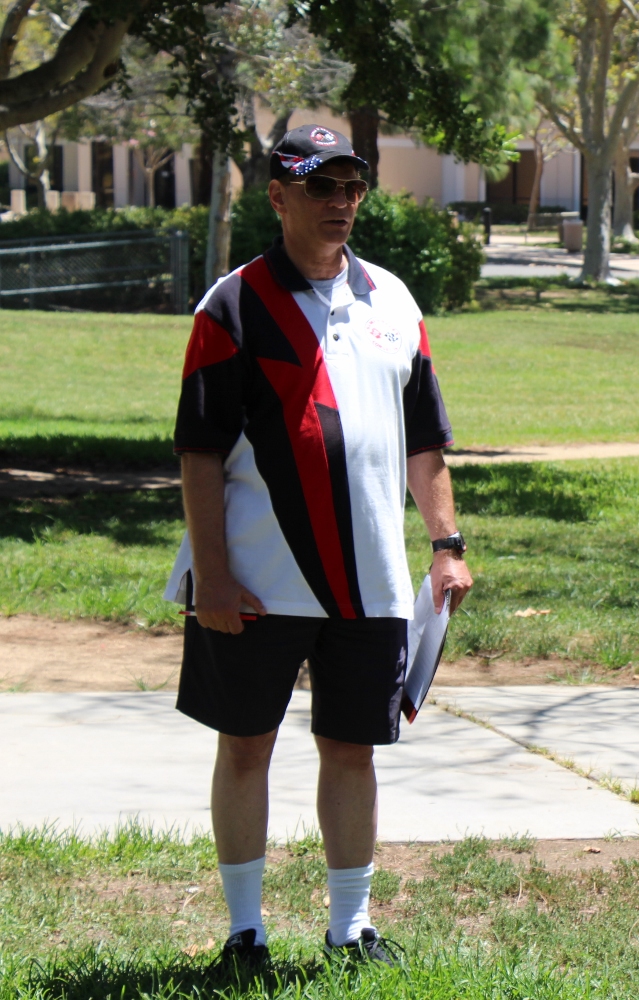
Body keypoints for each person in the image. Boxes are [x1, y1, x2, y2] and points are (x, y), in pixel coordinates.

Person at [164, 124, 474, 969]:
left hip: (369, 583)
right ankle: (244, 933)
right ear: (278, 196)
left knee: (353, 748)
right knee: (246, 746)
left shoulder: (394, 302)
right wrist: (213, 576)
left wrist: (445, 544)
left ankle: (350, 927)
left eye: (353, 188)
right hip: (257, 580)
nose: (340, 204)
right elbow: (198, 455)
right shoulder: (230, 306)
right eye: (320, 187)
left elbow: (425, 445)